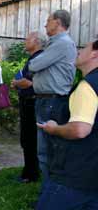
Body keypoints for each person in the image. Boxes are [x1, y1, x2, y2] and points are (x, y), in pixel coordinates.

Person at [36, 39, 98, 210]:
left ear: (94, 53)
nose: (79, 51)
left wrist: (54, 129)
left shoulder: (88, 86)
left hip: (76, 174)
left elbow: (80, 129)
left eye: (84, 47)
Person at [28, 10, 77, 181]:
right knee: (45, 151)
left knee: (50, 151)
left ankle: (52, 194)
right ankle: (49, 191)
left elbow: (34, 65)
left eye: (48, 21)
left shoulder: (62, 43)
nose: (45, 24)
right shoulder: (55, 43)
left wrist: (36, 64)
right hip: (47, 100)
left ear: (57, 22)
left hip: (53, 102)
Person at [11, 31, 47, 183]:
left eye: (28, 39)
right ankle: (29, 171)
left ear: (36, 41)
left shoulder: (39, 58)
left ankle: (30, 175)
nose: (25, 41)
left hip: (32, 102)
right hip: (28, 101)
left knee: (30, 139)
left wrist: (16, 83)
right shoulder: (34, 58)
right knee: (28, 139)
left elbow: (29, 82)